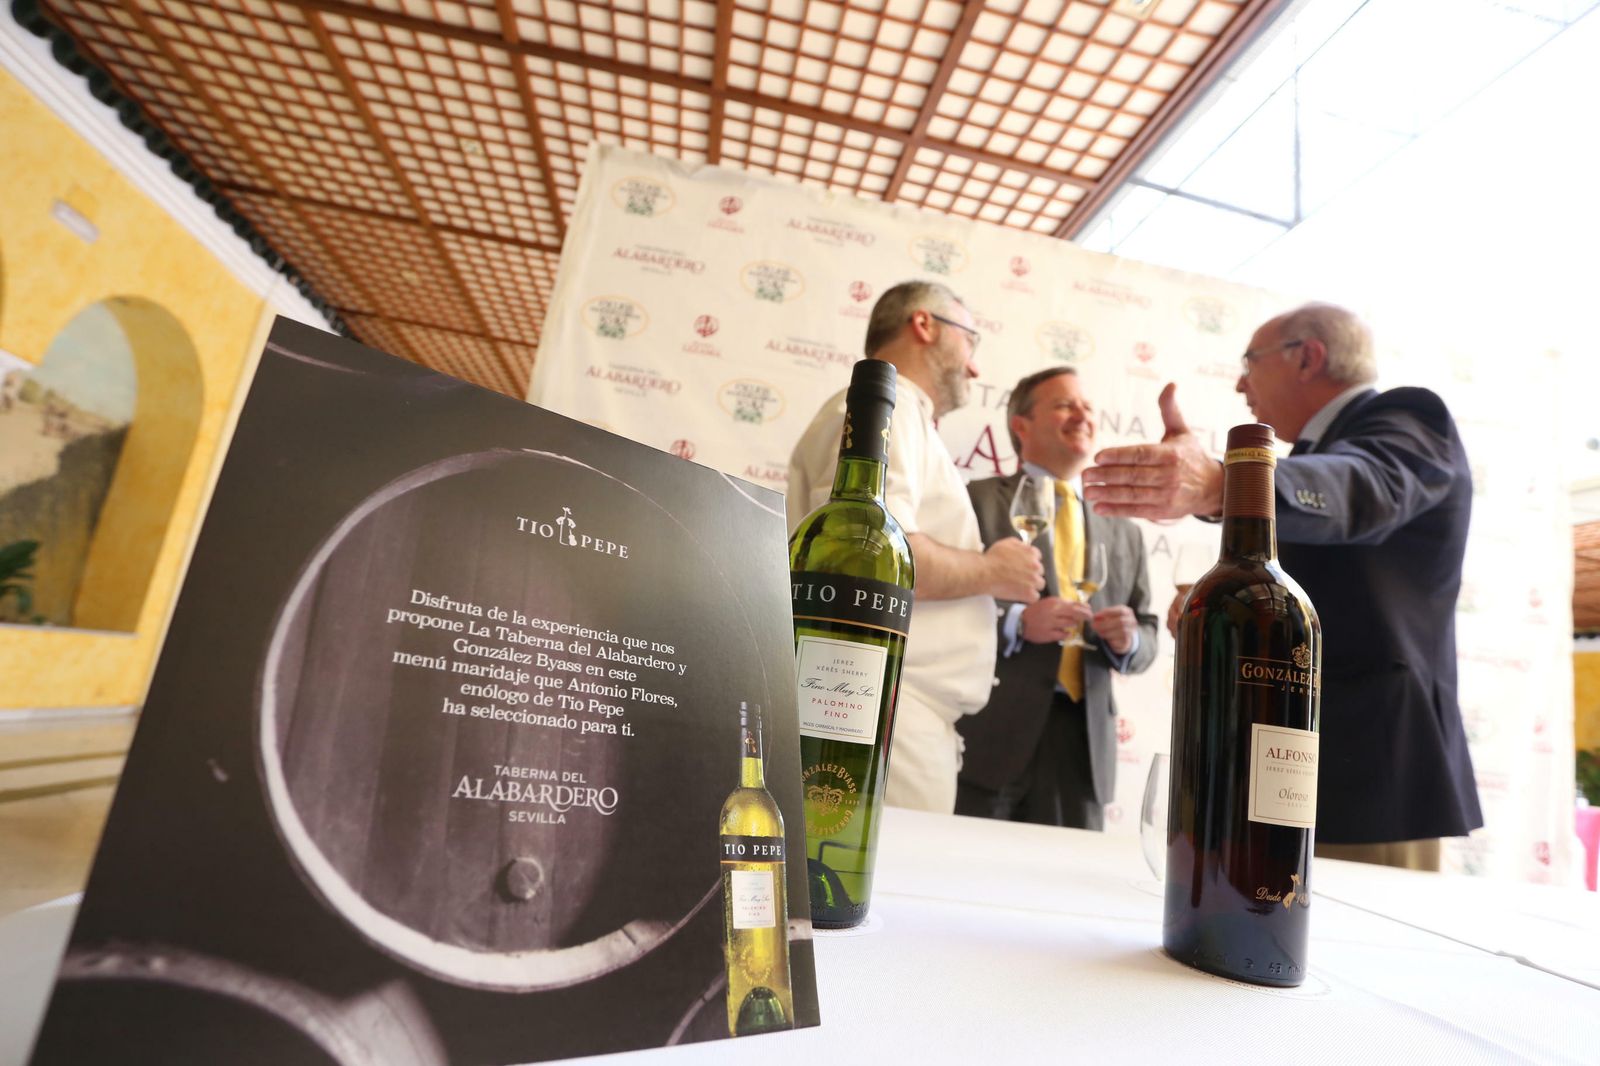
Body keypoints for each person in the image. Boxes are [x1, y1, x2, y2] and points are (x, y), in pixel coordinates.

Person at [1083, 302, 1482, 870]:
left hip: (1369, 775)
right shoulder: (1314, 455)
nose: (1241, 382)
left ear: (1308, 357)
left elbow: (1362, 488)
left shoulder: (1408, 420)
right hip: (1284, 769)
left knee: (1357, 950)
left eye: (1249, 361)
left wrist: (1225, 481)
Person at [787, 280, 1044, 813]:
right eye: (971, 341)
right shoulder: (888, 411)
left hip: (896, 713)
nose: (975, 368)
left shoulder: (900, 416)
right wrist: (993, 572)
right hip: (886, 712)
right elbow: (866, 559)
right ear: (924, 325)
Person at [959, 368, 1158, 829]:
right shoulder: (976, 500)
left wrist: (1129, 641)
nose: (1082, 415)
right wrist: (1017, 622)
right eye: (1065, 405)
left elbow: (1147, 632)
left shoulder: (1123, 528)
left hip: (1085, 745)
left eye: (1087, 407)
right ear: (1021, 425)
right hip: (992, 731)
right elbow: (942, 605)